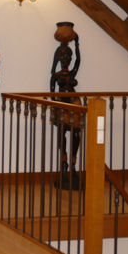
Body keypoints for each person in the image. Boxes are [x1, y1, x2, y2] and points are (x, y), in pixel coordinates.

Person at [50, 24, 82, 189]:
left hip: (73, 105)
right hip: (62, 106)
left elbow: (79, 61)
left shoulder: (72, 73)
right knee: (61, 135)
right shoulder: (56, 75)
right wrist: (55, 106)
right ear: (58, 59)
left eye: (68, 57)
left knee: (76, 134)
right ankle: (64, 165)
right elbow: (52, 92)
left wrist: (76, 44)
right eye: (63, 57)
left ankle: (73, 166)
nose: (66, 59)